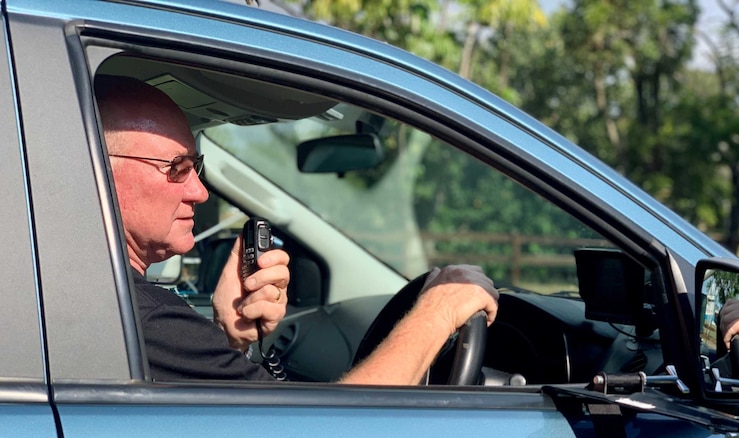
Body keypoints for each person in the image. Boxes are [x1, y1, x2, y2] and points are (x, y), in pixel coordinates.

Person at [95, 75, 498, 385]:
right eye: (177, 169)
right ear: (99, 171)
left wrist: (228, 339)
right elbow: (324, 437)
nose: (200, 192)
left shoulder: (108, 306)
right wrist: (438, 311)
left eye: (196, 168)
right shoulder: (142, 320)